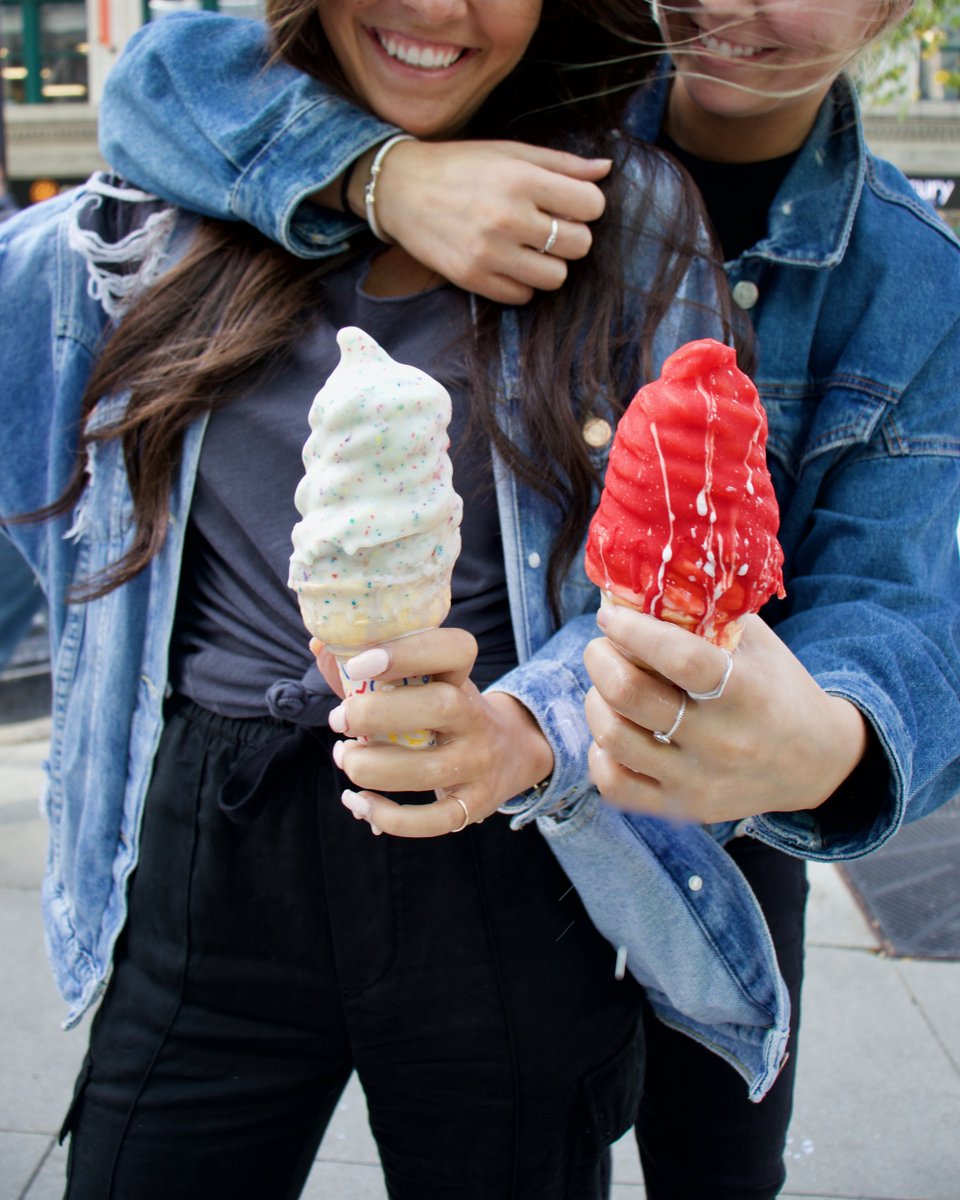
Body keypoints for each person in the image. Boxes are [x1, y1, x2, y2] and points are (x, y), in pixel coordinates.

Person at [94, 2, 960, 1198]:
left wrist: (832, 744)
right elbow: (164, 84)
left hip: (715, 783)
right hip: (446, 781)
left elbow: (897, 595)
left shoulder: (883, 265)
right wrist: (386, 179)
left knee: (717, 1148)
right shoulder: (539, 104)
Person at [0, 0, 765, 1196]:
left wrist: (528, 732)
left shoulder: (625, 207)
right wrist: (381, 180)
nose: (435, 8)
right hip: (215, 840)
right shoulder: (199, 168)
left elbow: (677, 577)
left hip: (506, 847)